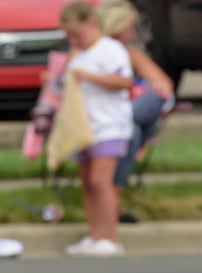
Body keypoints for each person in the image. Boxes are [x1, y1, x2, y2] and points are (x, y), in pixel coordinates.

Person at [58, 0, 134, 257]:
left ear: (91, 23)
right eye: (69, 35)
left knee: (101, 181)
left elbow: (124, 81)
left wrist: (91, 77)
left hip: (109, 125)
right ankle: (95, 234)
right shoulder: (78, 55)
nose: (74, 39)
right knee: (88, 184)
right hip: (84, 128)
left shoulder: (111, 49)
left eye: (77, 34)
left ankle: (111, 237)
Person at [96, 1, 176, 211]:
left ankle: (113, 196)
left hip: (126, 113)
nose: (134, 32)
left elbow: (164, 86)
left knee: (151, 102)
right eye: (130, 26)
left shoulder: (130, 53)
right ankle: (114, 196)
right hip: (102, 118)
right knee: (130, 130)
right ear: (117, 27)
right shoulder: (94, 54)